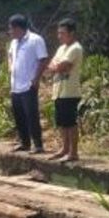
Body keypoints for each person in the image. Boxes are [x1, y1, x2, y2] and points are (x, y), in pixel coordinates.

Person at [6, 14, 49, 153]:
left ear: (18, 28)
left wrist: (36, 79)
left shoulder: (35, 40)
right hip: (15, 86)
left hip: (28, 85)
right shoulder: (14, 43)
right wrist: (10, 66)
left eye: (11, 29)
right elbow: (10, 55)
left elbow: (43, 60)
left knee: (31, 115)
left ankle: (38, 145)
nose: (10, 32)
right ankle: (25, 143)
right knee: (19, 116)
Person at [44, 18, 84, 162]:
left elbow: (62, 66)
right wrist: (55, 67)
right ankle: (64, 148)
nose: (59, 36)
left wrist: (56, 67)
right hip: (58, 90)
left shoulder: (76, 48)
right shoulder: (61, 48)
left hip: (70, 91)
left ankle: (73, 152)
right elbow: (51, 66)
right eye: (58, 33)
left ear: (71, 33)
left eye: (62, 33)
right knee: (61, 122)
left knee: (70, 122)